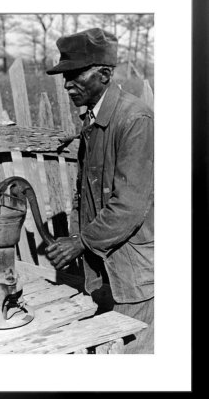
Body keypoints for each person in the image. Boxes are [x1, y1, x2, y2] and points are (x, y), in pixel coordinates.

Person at [45, 28, 154, 354]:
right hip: (106, 269)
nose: (66, 85)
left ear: (104, 73)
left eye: (75, 75)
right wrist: (76, 135)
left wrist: (80, 242)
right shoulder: (94, 119)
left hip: (133, 275)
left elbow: (129, 206)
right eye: (65, 76)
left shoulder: (135, 119)